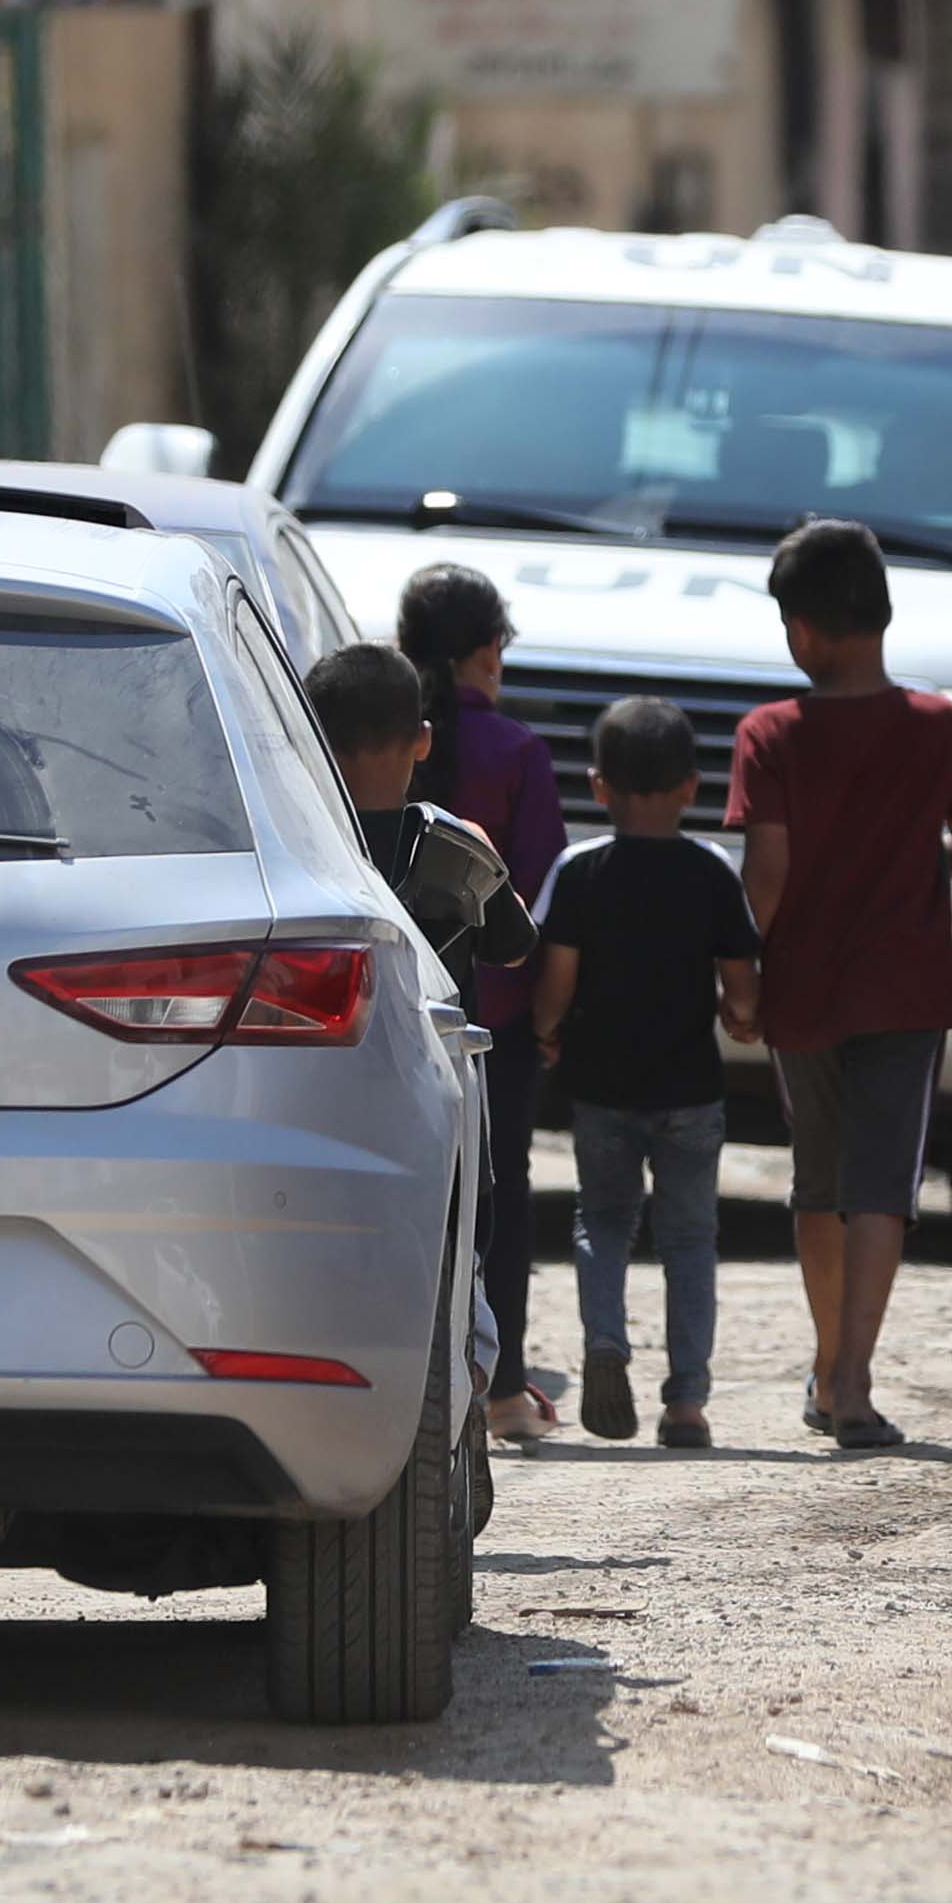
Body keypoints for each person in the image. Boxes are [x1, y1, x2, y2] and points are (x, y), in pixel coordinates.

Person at [727, 515, 952, 1456]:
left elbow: (767, 868)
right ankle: (853, 1380)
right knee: (885, 1185)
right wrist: (916, 853)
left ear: (802, 629)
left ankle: (823, 1360)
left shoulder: (770, 733)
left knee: (819, 1180)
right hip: (907, 986)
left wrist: (741, 970)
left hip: (804, 984)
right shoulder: (936, 724)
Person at [307, 639, 545, 1438]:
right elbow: (514, 944)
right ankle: (460, 1415)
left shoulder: (305, 845)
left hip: (326, 1095)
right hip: (441, 1100)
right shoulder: (455, 842)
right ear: (423, 739)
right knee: (453, 1261)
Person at [530, 694, 761, 1448]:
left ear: (599, 785)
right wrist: (739, 1015)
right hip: (691, 1089)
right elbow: (742, 985)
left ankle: (606, 1341)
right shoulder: (712, 870)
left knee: (603, 1222)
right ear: (692, 786)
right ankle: (687, 1402)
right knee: (689, 1240)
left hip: (602, 1088)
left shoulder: (579, 869)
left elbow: (557, 974)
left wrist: (546, 1031)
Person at [395, 565, 565, 1415]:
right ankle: (497, 1385)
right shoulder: (519, 753)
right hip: (493, 1019)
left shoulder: (379, 743)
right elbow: (542, 899)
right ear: (491, 650)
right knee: (500, 1190)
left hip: (388, 1011)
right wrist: (548, 1014)